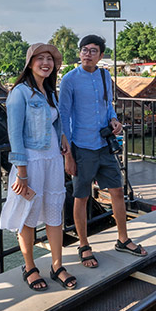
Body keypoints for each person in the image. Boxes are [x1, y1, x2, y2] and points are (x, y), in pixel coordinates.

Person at [60, 35, 147, 268]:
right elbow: (64, 116)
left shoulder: (104, 75)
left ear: (100, 55)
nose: (87, 54)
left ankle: (123, 239)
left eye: (93, 50)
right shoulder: (69, 80)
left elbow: (107, 106)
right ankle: (84, 245)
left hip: (104, 145)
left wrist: (114, 120)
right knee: (81, 197)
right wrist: (68, 155)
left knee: (117, 191)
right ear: (79, 53)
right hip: (82, 147)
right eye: (84, 49)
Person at [0, 43, 76, 292]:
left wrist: (63, 140)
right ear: (30, 63)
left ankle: (57, 265)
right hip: (31, 162)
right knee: (28, 215)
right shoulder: (19, 93)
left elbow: (55, 123)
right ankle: (30, 267)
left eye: (50, 59)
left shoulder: (50, 92)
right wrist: (21, 172)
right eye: (40, 58)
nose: (46, 63)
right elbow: (15, 134)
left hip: (52, 159)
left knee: (54, 211)